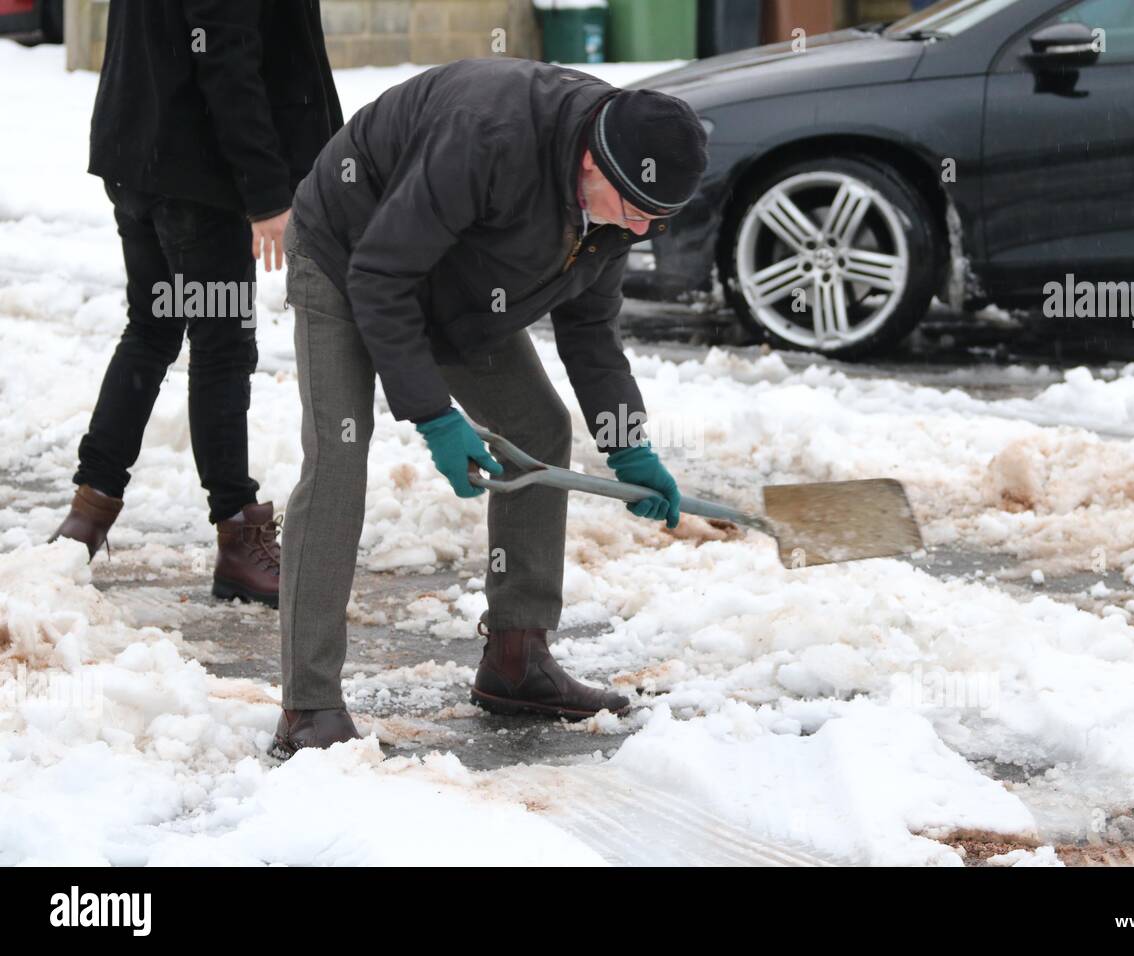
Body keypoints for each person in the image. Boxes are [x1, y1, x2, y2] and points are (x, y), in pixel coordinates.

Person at [273, 58, 708, 758]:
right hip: (350, 252)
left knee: (538, 426)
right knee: (339, 459)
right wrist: (434, 415)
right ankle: (309, 707)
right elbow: (381, 276)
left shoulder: (620, 200)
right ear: (594, 161)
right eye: (637, 210)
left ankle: (517, 657)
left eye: (658, 218)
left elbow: (591, 332)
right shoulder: (487, 134)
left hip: (457, 281)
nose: (644, 229)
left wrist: (630, 445)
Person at [51, 1, 342, 610]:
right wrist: (266, 195)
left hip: (143, 153)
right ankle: (238, 535)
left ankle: (88, 512)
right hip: (196, 174)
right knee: (223, 346)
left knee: (153, 330)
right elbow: (225, 58)